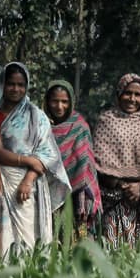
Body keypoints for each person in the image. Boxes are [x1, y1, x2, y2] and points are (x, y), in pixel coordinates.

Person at [0, 62, 70, 258]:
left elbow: (46, 155)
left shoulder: (37, 116)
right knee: (4, 241)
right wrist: (27, 160)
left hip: (32, 185)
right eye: (11, 84)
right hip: (4, 182)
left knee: (30, 238)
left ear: (26, 86)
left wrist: (28, 180)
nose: (15, 89)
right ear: (3, 85)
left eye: (20, 84)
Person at [94, 73, 140, 246]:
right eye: (128, 93)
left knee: (138, 258)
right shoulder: (106, 121)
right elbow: (99, 163)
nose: (132, 99)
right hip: (111, 201)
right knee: (110, 251)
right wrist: (122, 184)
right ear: (119, 93)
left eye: (137, 95)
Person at [43, 80, 102, 239]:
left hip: (75, 197)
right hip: (46, 194)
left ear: (71, 102)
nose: (59, 106)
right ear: (47, 101)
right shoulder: (40, 125)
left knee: (73, 245)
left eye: (64, 101)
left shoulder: (79, 126)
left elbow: (85, 164)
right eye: (55, 101)